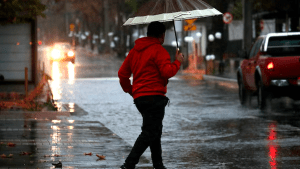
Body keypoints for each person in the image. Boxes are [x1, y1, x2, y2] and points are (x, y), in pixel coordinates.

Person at [118, 21, 183, 169]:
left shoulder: (135, 51)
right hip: (155, 97)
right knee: (150, 131)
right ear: (162, 35)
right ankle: (129, 164)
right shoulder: (159, 51)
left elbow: (122, 74)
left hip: (140, 98)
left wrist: (131, 90)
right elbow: (167, 72)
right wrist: (178, 62)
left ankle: (158, 165)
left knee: (155, 130)